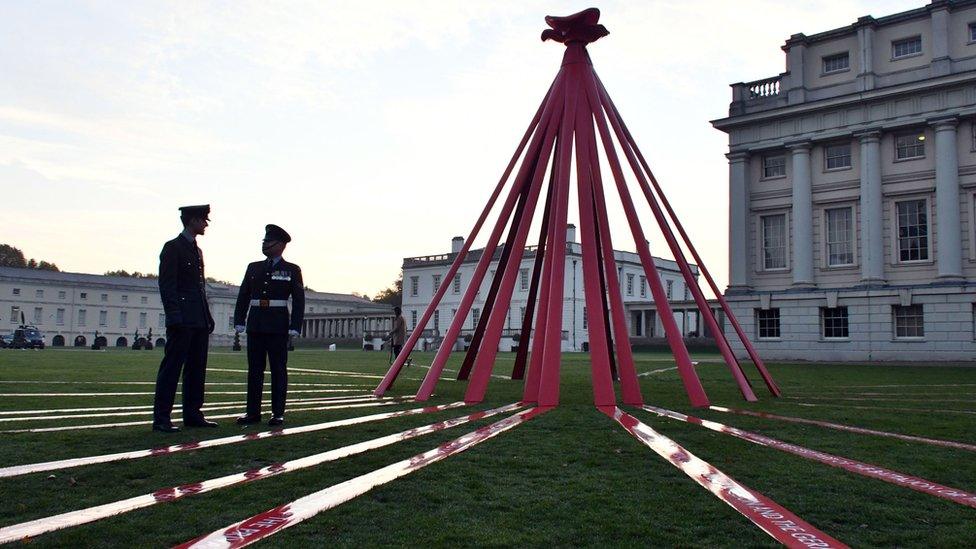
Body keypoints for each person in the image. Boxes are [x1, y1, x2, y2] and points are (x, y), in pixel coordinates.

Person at [152, 204, 217, 433]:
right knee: (172, 368)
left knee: (197, 369)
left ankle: (193, 413)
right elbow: (167, 286)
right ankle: (161, 417)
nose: (206, 224)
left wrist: (207, 316)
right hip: (182, 319)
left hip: (197, 319)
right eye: (203, 220)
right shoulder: (173, 248)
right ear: (192, 221)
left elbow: (199, 288)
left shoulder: (196, 251)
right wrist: (174, 315)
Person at [234, 224, 305, 426]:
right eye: (263, 241)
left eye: (268, 241)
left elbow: (299, 300)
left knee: (278, 369)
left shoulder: (292, 270)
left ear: (281, 245)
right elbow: (244, 296)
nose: (264, 245)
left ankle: (277, 412)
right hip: (256, 323)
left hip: (277, 325)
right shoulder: (253, 267)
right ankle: (252, 412)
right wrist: (240, 319)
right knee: (254, 370)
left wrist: (295, 325)